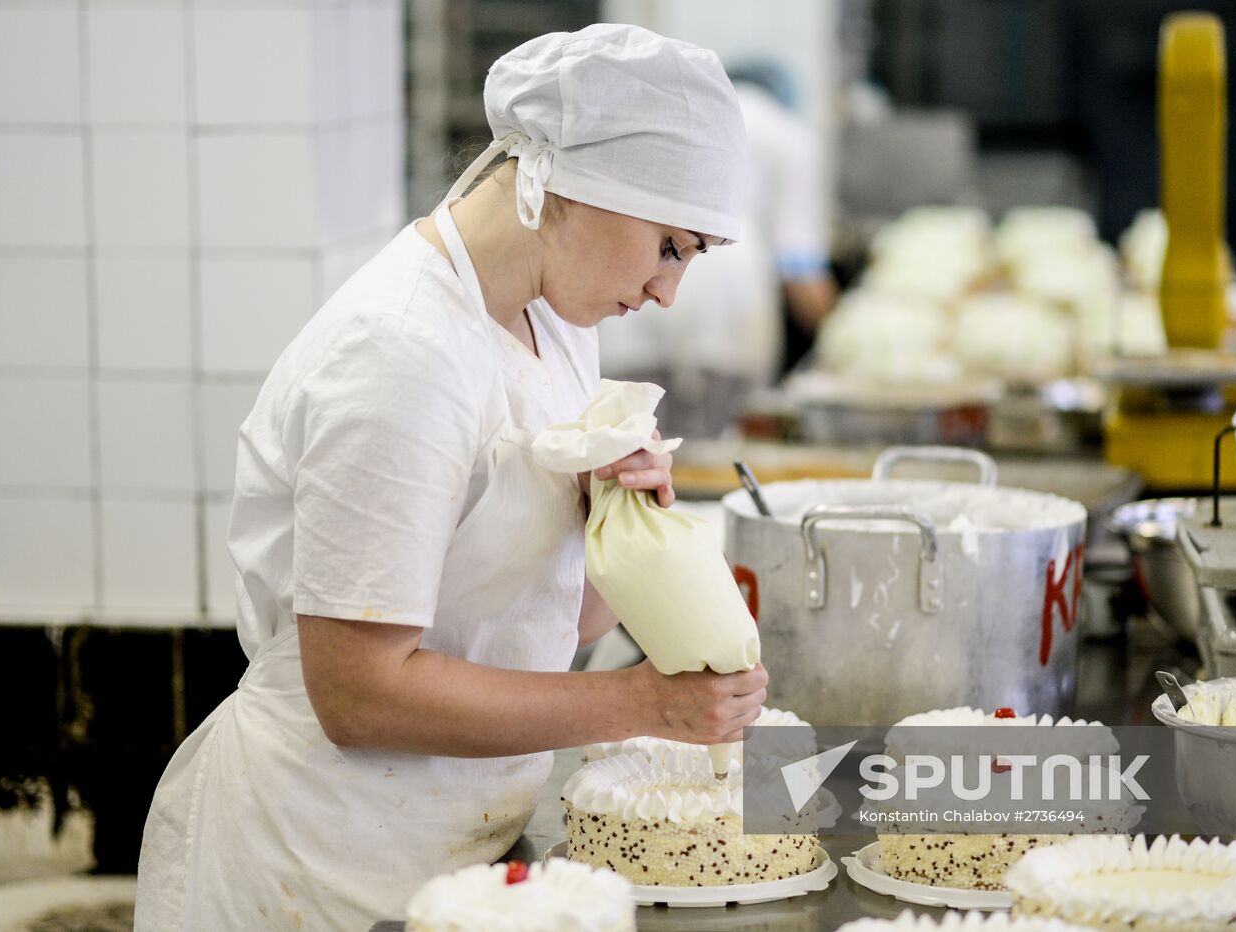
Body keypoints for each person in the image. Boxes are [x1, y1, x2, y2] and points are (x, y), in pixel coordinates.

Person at [135, 24, 768, 930]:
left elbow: (546, 626)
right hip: (316, 862)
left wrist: (623, 532)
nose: (669, 292)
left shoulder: (554, 327)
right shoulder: (403, 356)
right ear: (575, 188)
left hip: (455, 850)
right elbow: (359, 693)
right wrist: (641, 704)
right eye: (670, 245)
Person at [597, 70, 838, 438]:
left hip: (635, 295)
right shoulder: (790, 136)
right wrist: (841, 339)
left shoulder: (681, 116)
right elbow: (799, 267)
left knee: (629, 446)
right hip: (730, 309)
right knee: (715, 449)